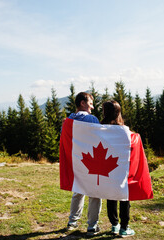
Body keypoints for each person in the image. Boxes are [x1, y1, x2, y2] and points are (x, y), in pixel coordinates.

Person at [66, 92, 102, 236]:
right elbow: (100, 138)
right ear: (82, 103)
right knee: (94, 193)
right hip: (91, 160)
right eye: (91, 103)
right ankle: (92, 226)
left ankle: (72, 222)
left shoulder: (69, 120)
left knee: (78, 191)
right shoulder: (92, 119)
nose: (92, 107)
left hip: (76, 161)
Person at [100, 100, 135, 237]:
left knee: (111, 195)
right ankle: (124, 228)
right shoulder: (124, 130)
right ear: (118, 112)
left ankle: (115, 225)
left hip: (106, 167)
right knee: (124, 197)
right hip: (122, 166)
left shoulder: (99, 129)